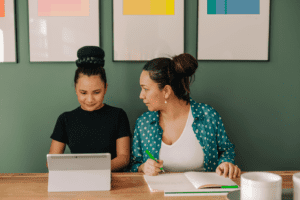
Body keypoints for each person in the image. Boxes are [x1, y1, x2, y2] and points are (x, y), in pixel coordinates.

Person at [129, 53, 241, 179]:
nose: (141, 95)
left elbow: (226, 150)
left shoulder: (208, 116)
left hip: (204, 192)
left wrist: (226, 163)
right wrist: (143, 167)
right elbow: (134, 164)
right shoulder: (143, 123)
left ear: (166, 91)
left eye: (146, 89)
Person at [46, 46, 131, 172]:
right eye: (83, 93)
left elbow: (124, 158)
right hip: (77, 180)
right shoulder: (65, 119)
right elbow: (52, 161)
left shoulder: (118, 115)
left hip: (111, 179)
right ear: (75, 89)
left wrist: (96, 169)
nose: (90, 99)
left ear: (105, 88)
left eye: (96, 92)